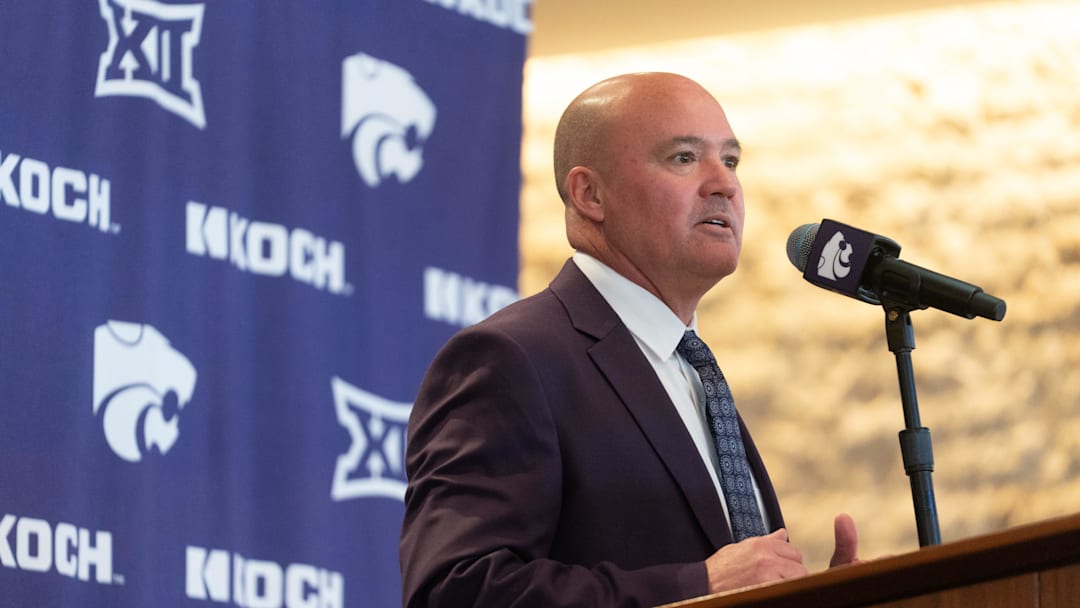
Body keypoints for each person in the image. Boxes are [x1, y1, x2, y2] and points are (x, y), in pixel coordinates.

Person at [399, 72, 859, 607]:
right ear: (589, 194)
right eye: (684, 158)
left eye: (730, 161)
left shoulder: (694, 372)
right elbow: (453, 592)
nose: (724, 184)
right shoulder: (513, 361)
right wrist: (698, 586)